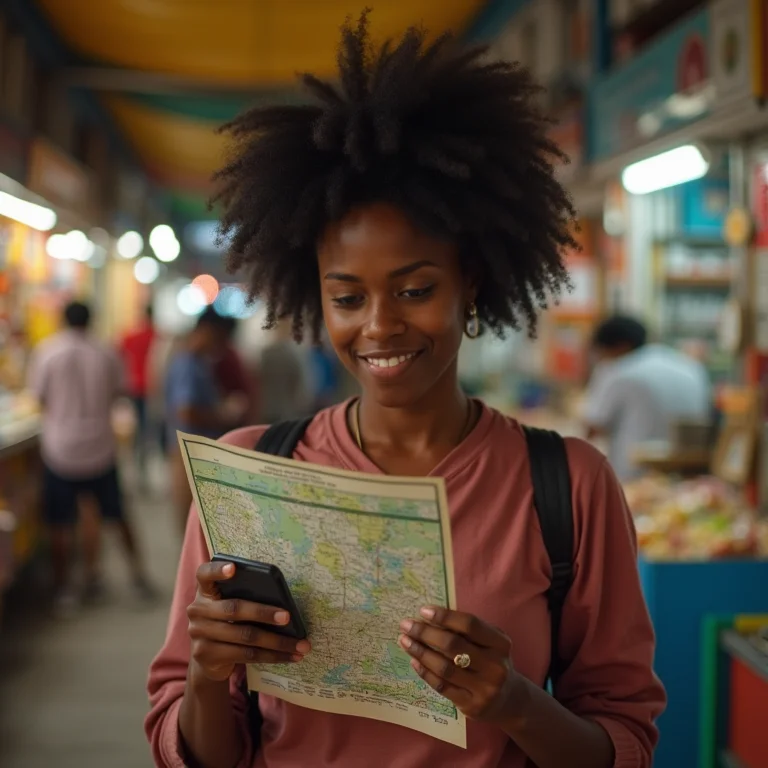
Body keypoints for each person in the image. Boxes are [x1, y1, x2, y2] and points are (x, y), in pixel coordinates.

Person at [146, 14, 665, 768]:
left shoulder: (569, 486)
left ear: (472, 283)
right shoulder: (251, 477)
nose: (380, 326)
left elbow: (622, 743)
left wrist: (515, 702)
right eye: (348, 297)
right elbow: (188, 749)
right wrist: (205, 672)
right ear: (313, 298)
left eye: (416, 288)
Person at [27, 301, 154, 615]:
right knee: (117, 515)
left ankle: (63, 590)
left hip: (61, 450)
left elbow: (38, 396)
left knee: (60, 522)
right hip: (100, 447)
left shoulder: (47, 352)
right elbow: (119, 392)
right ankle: (138, 577)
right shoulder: (106, 352)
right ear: (91, 319)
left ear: (62, 319)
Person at [584, 315, 712, 482]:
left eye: (601, 351)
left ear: (620, 346)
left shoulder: (617, 370)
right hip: (687, 478)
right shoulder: (691, 366)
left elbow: (594, 428)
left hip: (633, 479)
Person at [165, 308, 248, 532]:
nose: (219, 346)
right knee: (192, 527)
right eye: (218, 338)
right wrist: (222, 417)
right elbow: (186, 411)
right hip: (189, 451)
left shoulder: (198, 362)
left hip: (195, 450)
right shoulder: (188, 364)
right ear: (206, 331)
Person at [120, 304, 158, 478]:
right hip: (152, 388)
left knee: (136, 425)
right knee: (148, 426)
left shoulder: (130, 336)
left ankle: (136, 459)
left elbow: (119, 356)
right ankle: (143, 461)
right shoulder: (158, 337)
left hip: (133, 387)